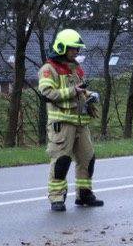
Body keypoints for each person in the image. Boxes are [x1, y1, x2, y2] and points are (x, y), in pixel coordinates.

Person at [38, 29, 102, 212]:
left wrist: (90, 95)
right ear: (61, 47)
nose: (76, 52)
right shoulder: (48, 70)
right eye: (73, 49)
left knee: (87, 158)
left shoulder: (75, 68)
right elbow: (47, 94)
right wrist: (73, 92)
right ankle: (57, 198)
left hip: (81, 123)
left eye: (77, 49)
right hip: (62, 124)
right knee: (61, 161)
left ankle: (84, 194)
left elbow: (79, 90)